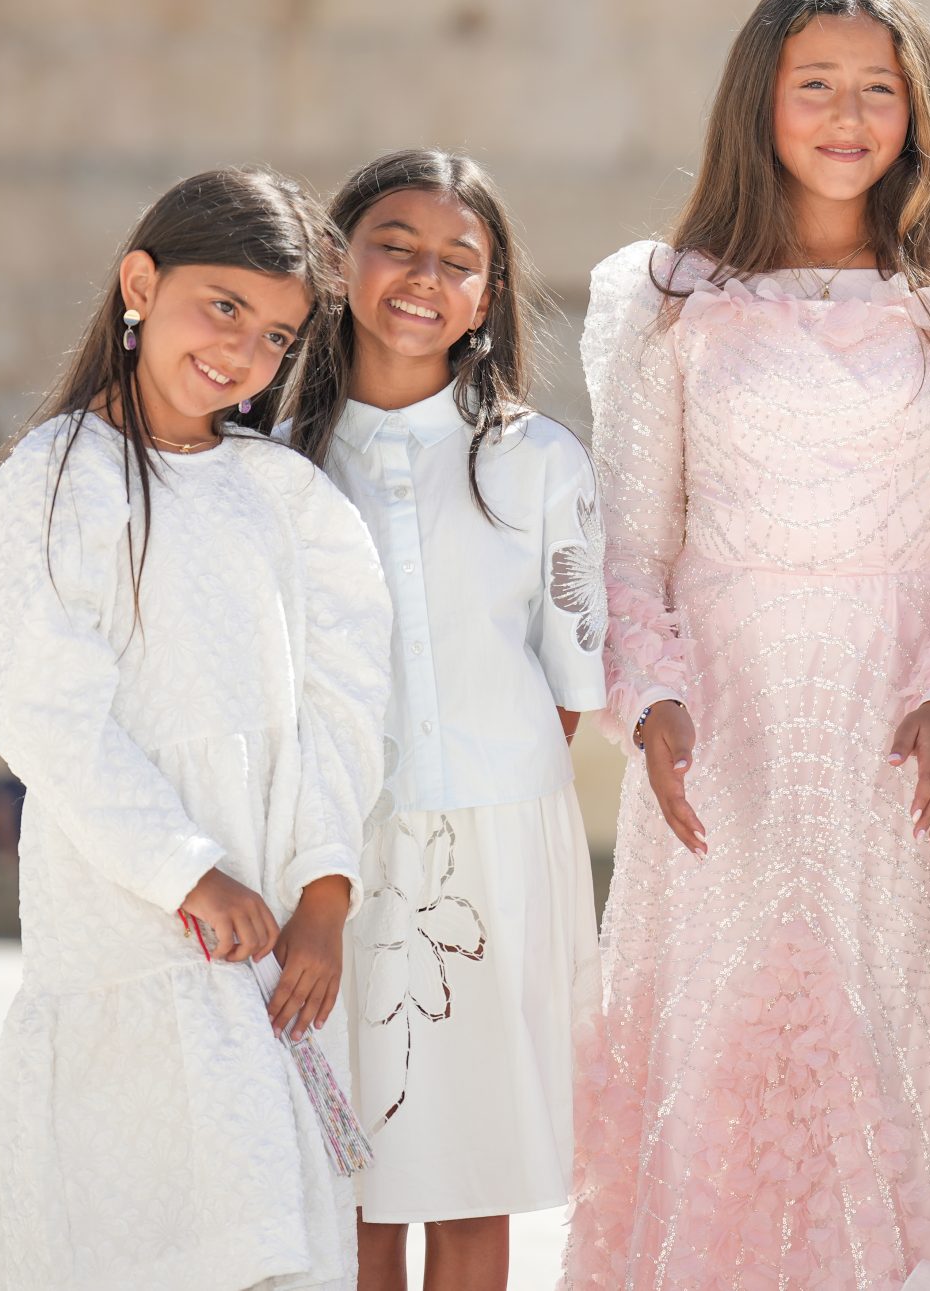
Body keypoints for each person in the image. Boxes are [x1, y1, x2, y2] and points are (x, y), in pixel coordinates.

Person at [564, 0, 930, 1289]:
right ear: (760, 99)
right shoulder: (667, 296)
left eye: (877, 88)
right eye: (815, 85)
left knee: (890, 1033)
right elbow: (629, 545)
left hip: (904, 721)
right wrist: (650, 696)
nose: (848, 116)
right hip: (722, 720)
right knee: (723, 1027)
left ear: (918, 107)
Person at [0, 167, 392, 1291]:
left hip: (271, 936)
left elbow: (344, 708)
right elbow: (41, 708)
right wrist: (185, 869)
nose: (243, 351)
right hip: (124, 925)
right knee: (143, 1238)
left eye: (277, 334)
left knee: (268, 1237)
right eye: (223, 306)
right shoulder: (55, 483)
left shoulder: (288, 500)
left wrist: (325, 895)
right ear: (140, 284)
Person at [289, 149, 606, 1291]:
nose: (424, 277)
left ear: (489, 293)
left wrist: (464, 792)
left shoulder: (538, 462)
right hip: (330, 853)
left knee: (473, 1171)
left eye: (457, 260)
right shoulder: (275, 462)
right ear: (338, 264)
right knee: (349, 1173)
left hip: (495, 849)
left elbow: (568, 685)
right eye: (395, 246)